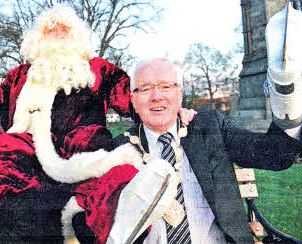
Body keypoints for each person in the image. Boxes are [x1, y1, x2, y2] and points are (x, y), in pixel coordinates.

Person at [0, 5, 195, 243]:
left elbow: (134, 97)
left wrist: (171, 108)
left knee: (118, 178)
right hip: (26, 168)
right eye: (50, 31)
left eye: (64, 31)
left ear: (77, 37)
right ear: (38, 40)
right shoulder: (19, 76)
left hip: (85, 161)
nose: (57, 36)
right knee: (1, 154)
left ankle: (114, 229)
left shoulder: (98, 70)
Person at [104, 58, 301, 244]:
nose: (157, 96)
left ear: (179, 94)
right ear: (133, 100)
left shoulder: (210, 127)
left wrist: (287, 97)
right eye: (145, 89)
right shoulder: (118, 150)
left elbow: (274, 154)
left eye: (166, 86)